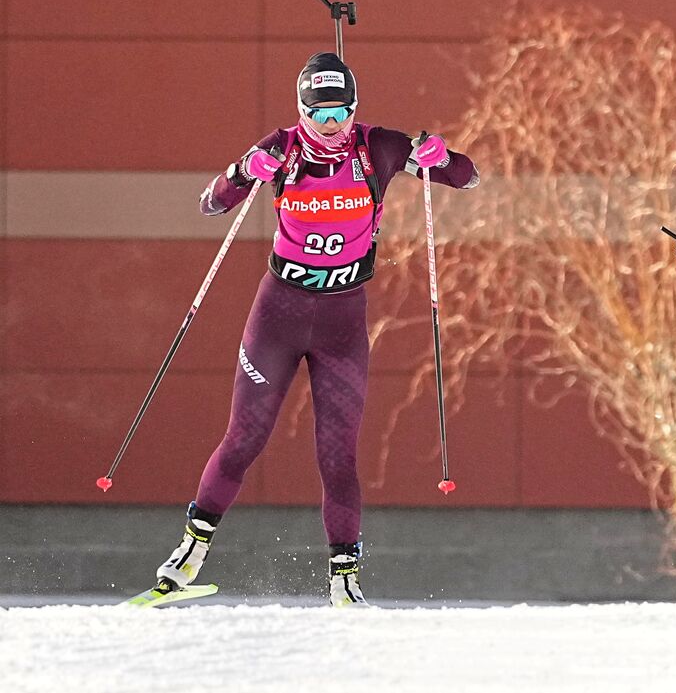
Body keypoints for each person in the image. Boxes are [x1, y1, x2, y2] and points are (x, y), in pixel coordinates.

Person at [150, 52, 479, 607]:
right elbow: (211, 204)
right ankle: (190, 550)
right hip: (279, 315)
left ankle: (344, 579)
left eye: (341, 113)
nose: (331, 127)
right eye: (319, 115)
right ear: (301, 110)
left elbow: (466, 178)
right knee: (244, 439)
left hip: (342, 323)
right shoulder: (279, 149)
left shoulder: (381, 147)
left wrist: (442, 156)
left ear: (355, 109)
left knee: (338, 455)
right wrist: (241, 174)